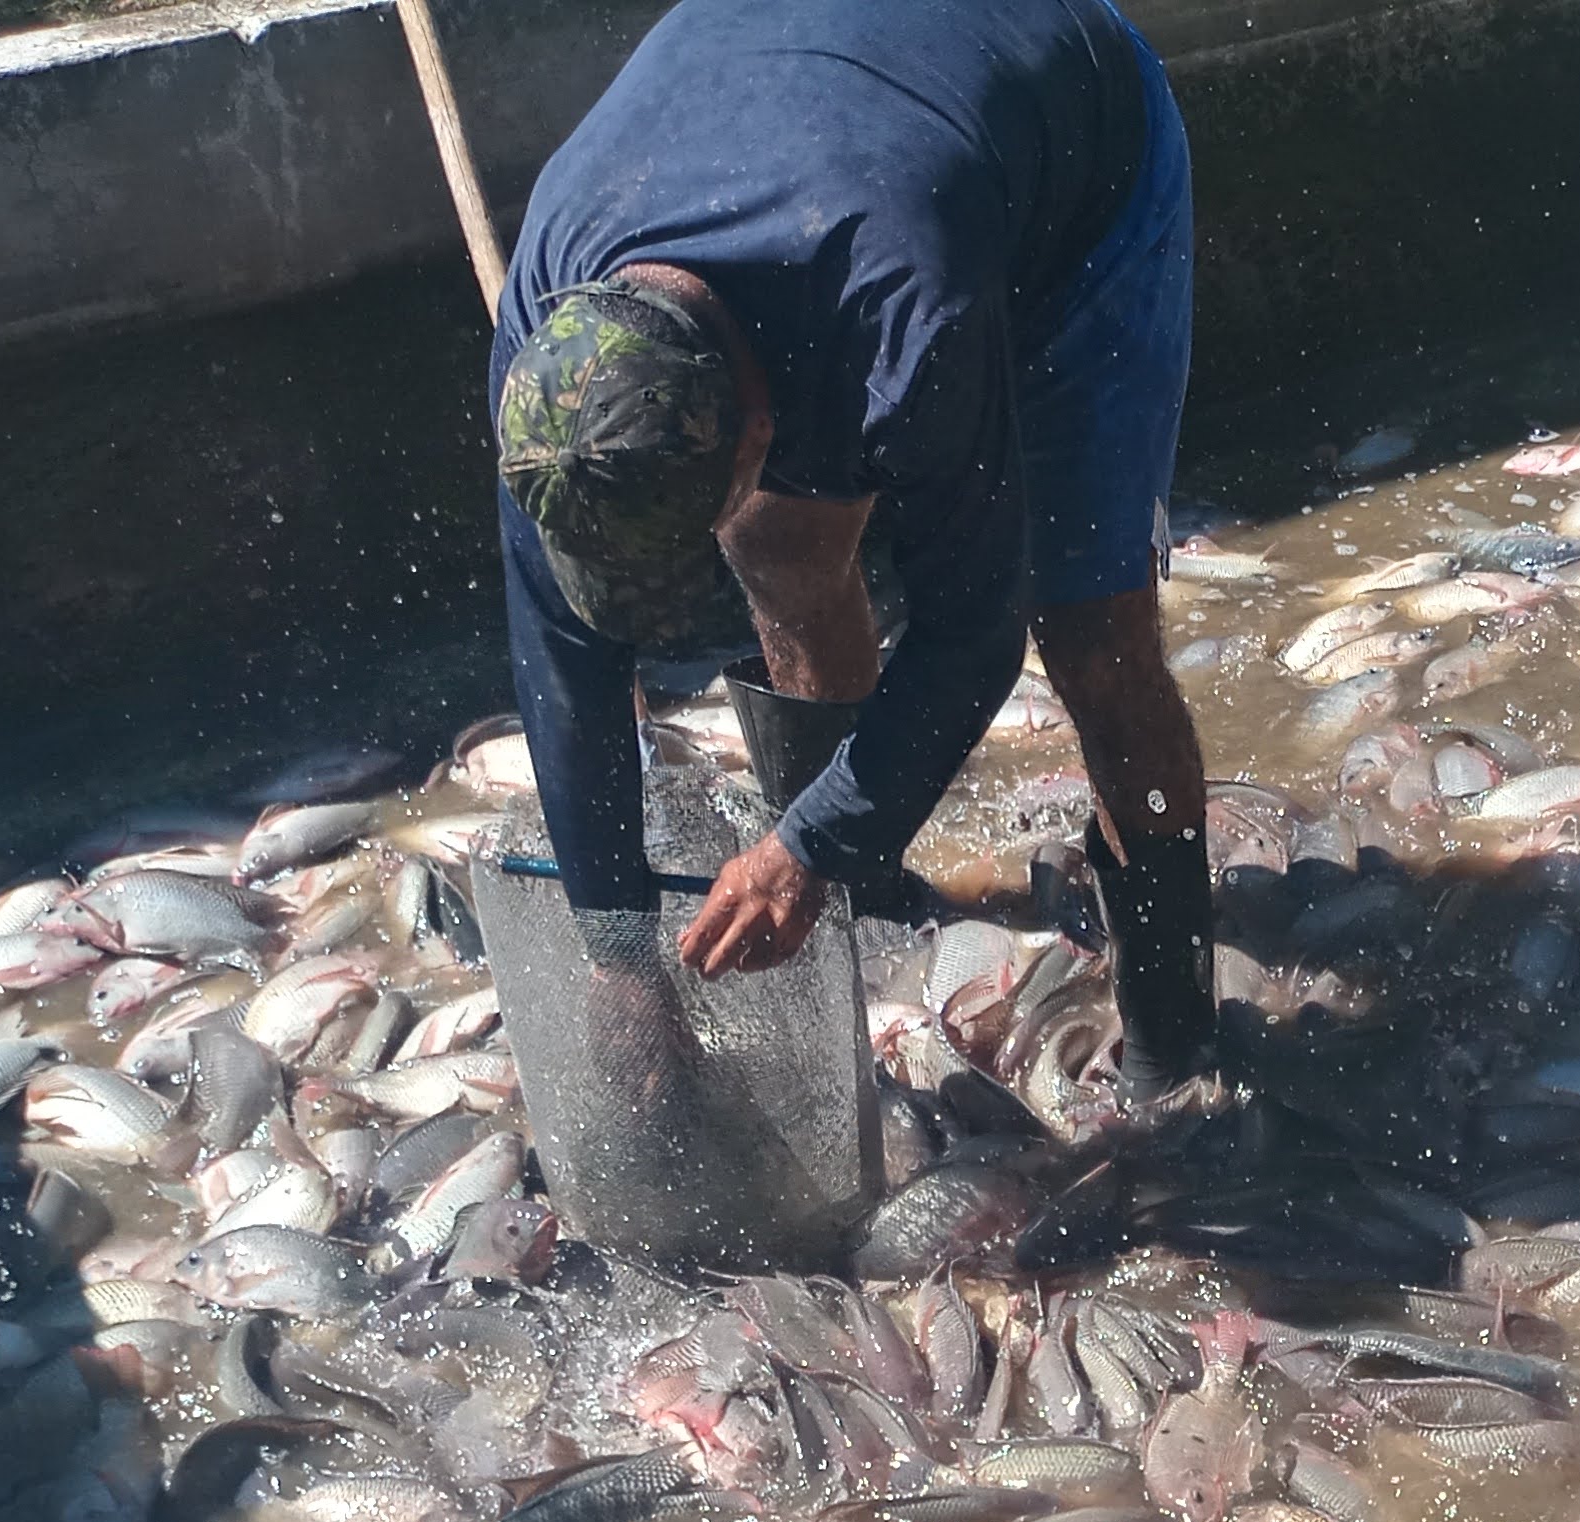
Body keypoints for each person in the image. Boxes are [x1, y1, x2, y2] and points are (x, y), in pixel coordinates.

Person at [487, 0, 1221, 1105]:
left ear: (759, 430)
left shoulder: (904, 325)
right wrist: (613, 949)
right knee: (781, 555)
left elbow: (972, 635)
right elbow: (561, 652)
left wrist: (804, 849)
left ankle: (1175, 1034)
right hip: (828, 115)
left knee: (1090, 635)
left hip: (1080, 168)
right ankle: (866, 912)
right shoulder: (552, 354)